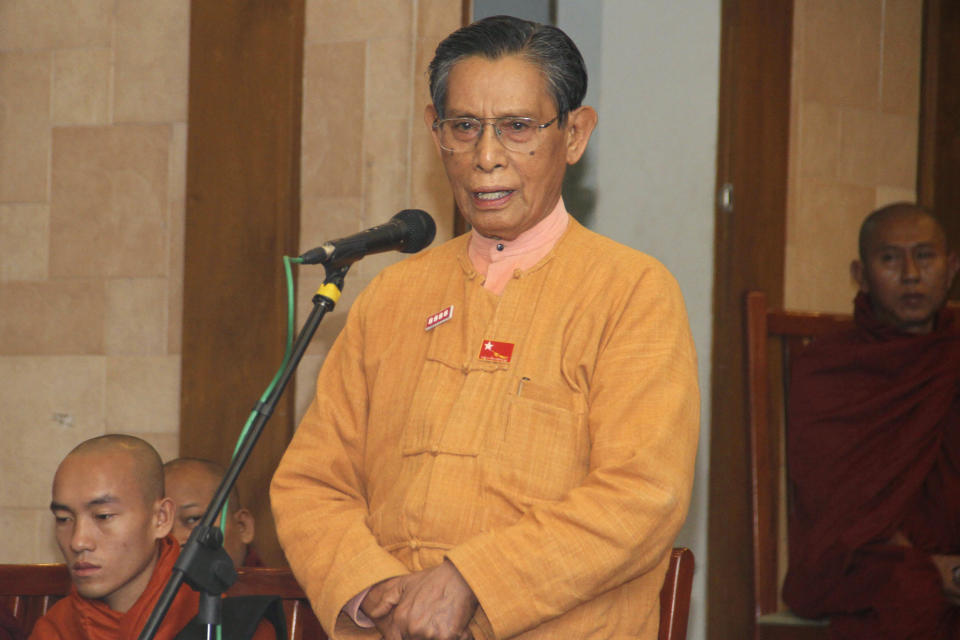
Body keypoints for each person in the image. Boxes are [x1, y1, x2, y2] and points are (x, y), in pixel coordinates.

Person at [270, 14, 699, 640]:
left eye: (518, 128)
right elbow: (312, 482)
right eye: (464, 127)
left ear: (575, 134)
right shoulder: (393, 295)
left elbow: (641, 496)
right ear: (434, 130)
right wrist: (374, 591)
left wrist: (470, 581)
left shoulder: (631, 292)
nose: (487, 157)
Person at [782, 203, 960, 638]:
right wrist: (938, 569)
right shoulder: (827, 367)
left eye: (925, 256)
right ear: (860, 275)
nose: (911, 274)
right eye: (890, 259)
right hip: (873, 561)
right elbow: (840, 512)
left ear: (952, 267)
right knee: (907, 590)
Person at [30, 435, 280, 640]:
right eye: (64, 519)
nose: (78, 541)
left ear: (160, 519)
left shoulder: (225, 625)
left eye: (103, 516)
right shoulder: (57, 628)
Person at [163, 457, 262, 568]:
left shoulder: (273, 584)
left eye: (193, 519)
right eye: (163, 526)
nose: (176, 539)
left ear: (243, 527)